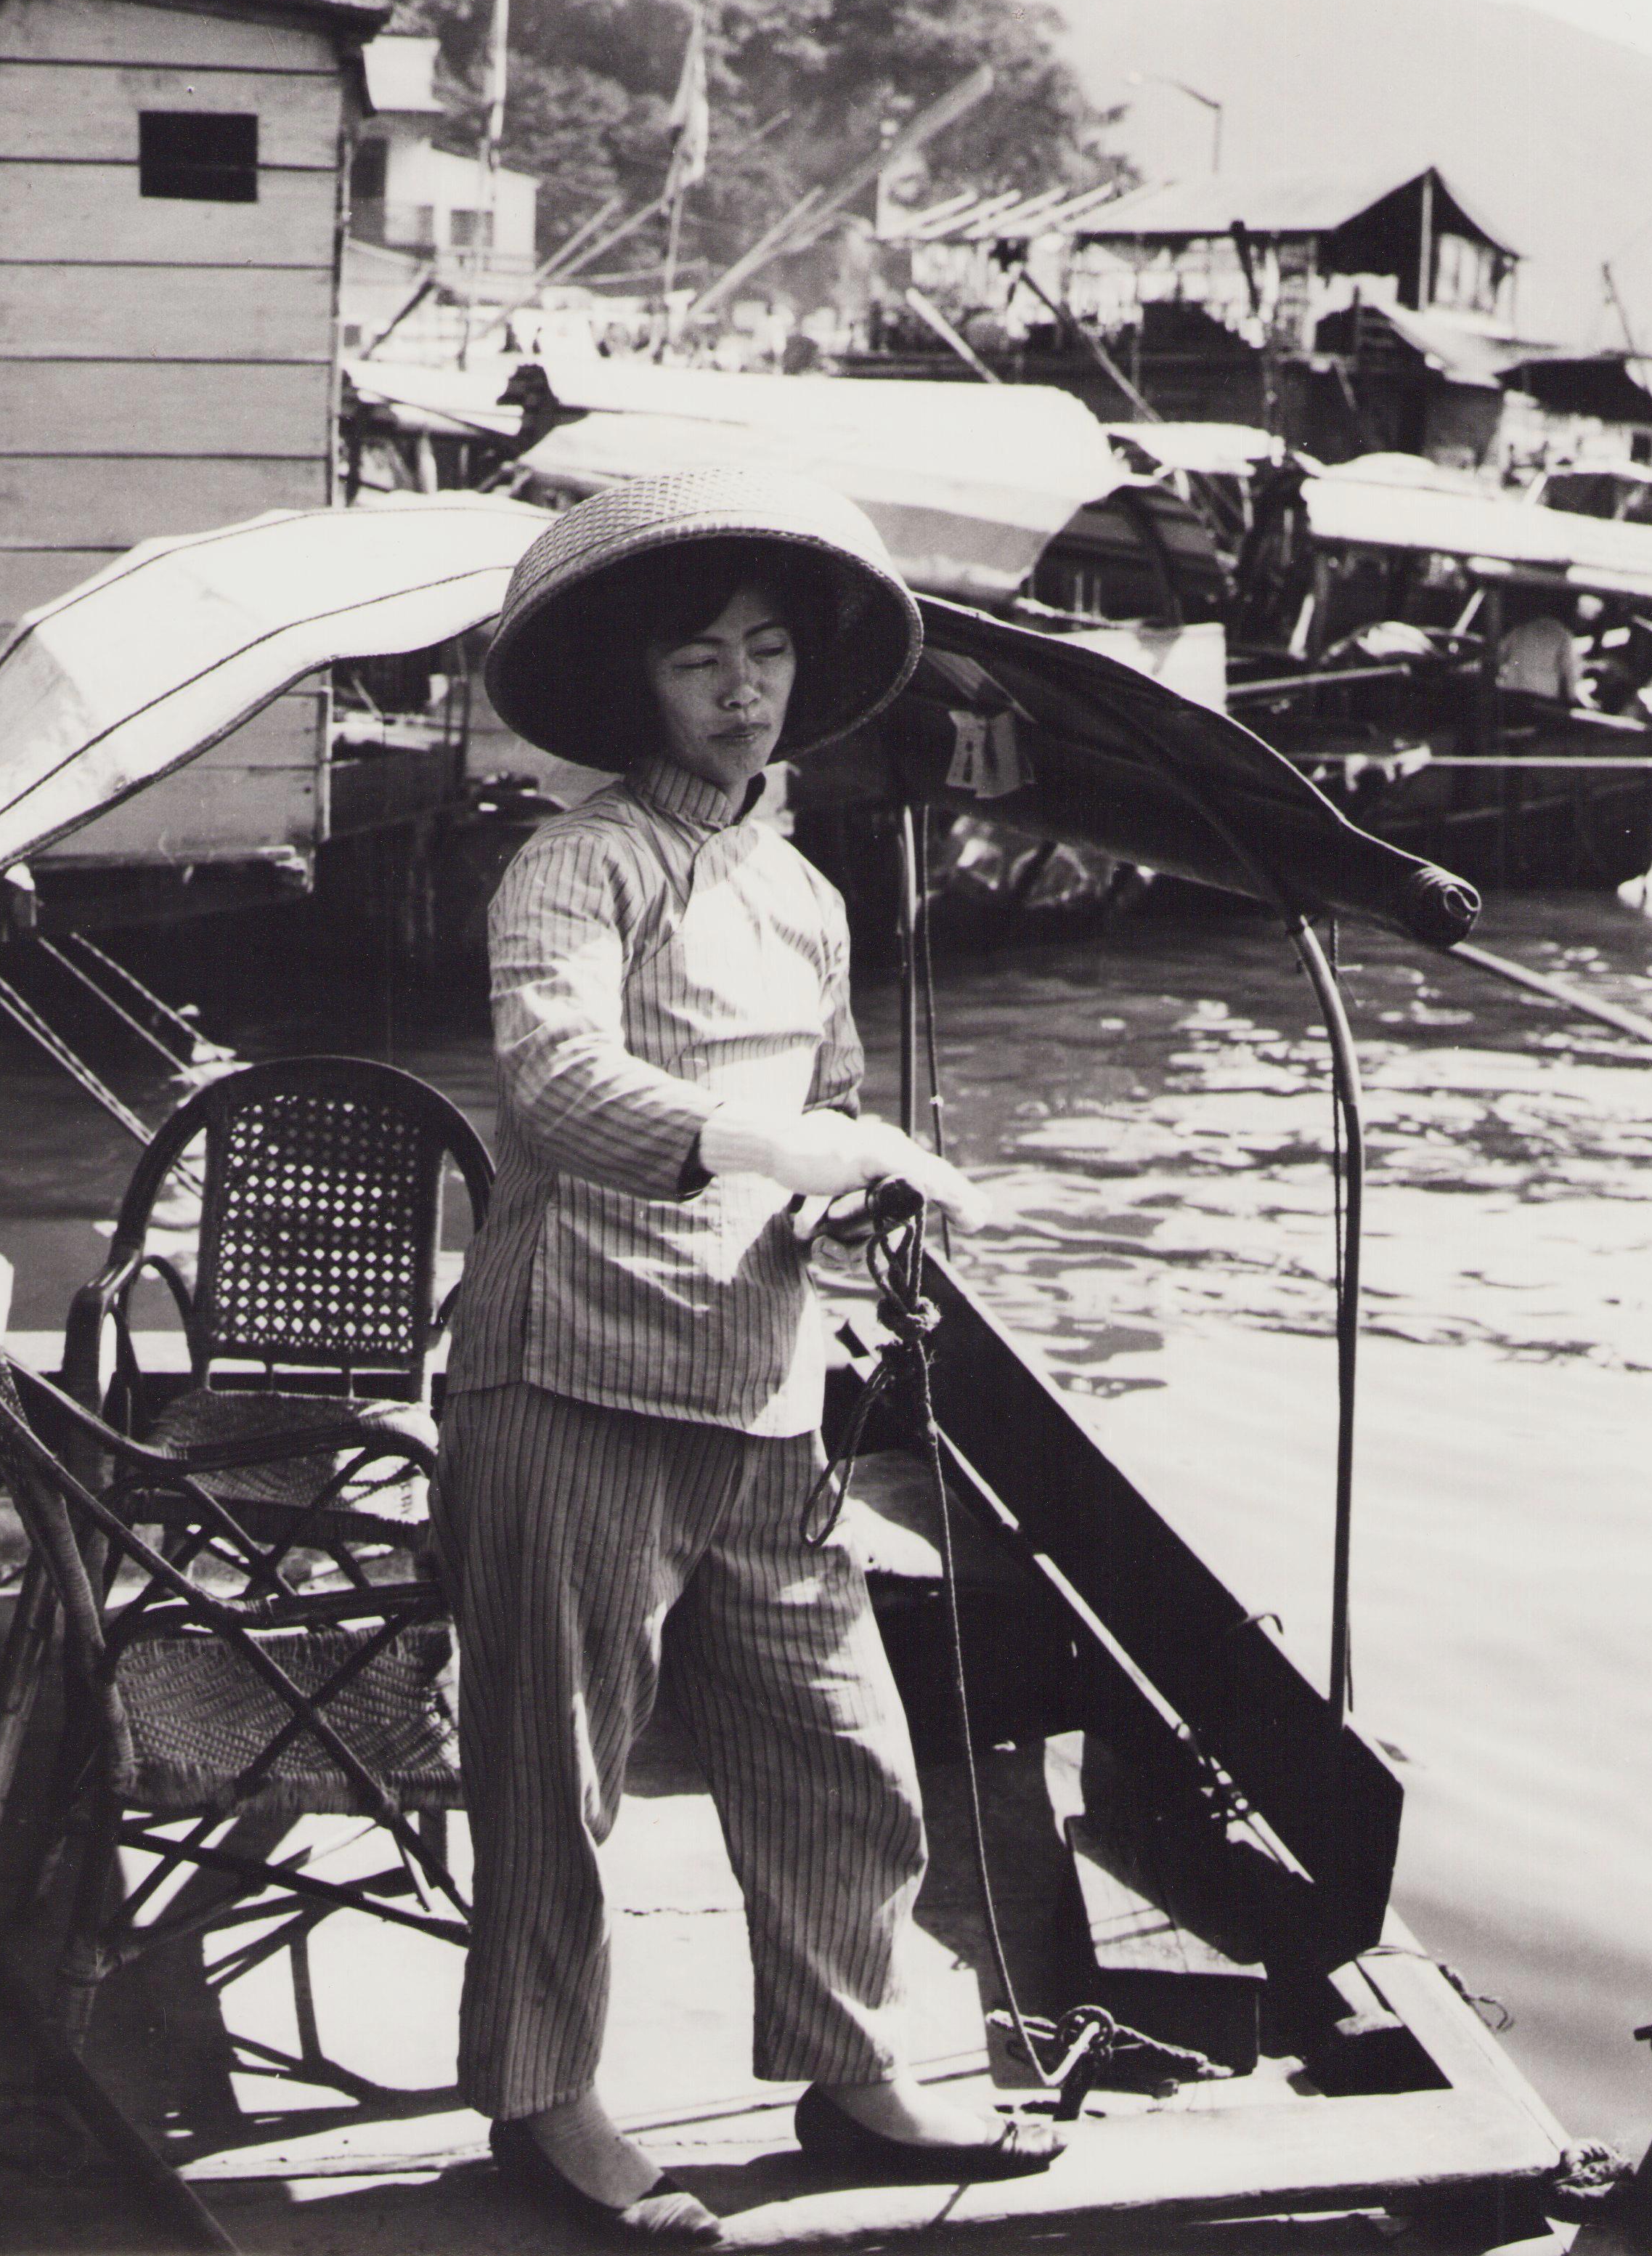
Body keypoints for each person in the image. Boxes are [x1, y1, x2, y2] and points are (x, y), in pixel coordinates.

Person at [434, 468, 1060, 2241]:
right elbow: (556, 1087)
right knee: (555, 1768)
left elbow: (837, 1105)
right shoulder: (573, 862)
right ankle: (543, 2100)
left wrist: (849, 1206)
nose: (739, 688)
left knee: (836, 1740)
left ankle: (853, 2068)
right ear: (639, 681)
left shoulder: (799, 888)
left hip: (762, 1380)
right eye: (701, 656)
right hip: (569, 1370)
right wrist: (791, 1152)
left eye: (767, 653)